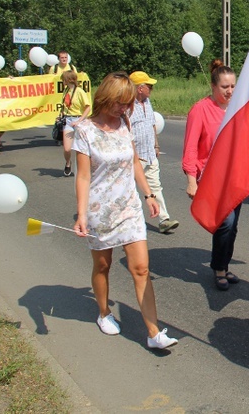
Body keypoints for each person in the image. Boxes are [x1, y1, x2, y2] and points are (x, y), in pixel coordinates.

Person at [73, 71, 178, 350]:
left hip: (129, 207)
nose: (125, 108)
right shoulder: (85, 130)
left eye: (128, 103)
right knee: (103, 265)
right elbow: (83, 177)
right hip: (99, 210)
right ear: (106, 98)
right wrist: (81, 215)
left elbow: (134, 163)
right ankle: (104, 313)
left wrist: (149, 195)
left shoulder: (124, 123)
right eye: (120, 103)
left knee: (141, 268)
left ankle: (154, 333)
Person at [182, 60, 241, 291]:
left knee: (233, 226)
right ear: (213, 87)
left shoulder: (237, 108)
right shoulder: (200, 109)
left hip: (235, 178)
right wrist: (190, 180)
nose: (229, 91)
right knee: (225, 224)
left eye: (233, 86)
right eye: (225, 87)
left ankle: (223, 265)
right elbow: (190, 148)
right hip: (210, 178)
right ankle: (218, 269)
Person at [129, 71, 179, 234]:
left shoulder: (147, 102)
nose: (152, 89)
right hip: (135, 157)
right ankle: (126, 220)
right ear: (140, 88)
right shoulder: (127, 105)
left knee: (155, 186)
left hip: (149, 154)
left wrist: (156, 145)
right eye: (149, 86)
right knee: (128, 188)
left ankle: (163, 219)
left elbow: (152, 124)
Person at [60, 70, 91, 176]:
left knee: (83, 148)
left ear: (68, 79)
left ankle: (84, 169)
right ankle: (68, 162)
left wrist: (79, 120)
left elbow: (88, 107)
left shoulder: (80, 92)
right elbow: (65, 106)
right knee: (67, 148)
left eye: (63, 79)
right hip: (68, 120)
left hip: (79, 121)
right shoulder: (65, 91)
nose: (62, 81)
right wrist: (61, 115)